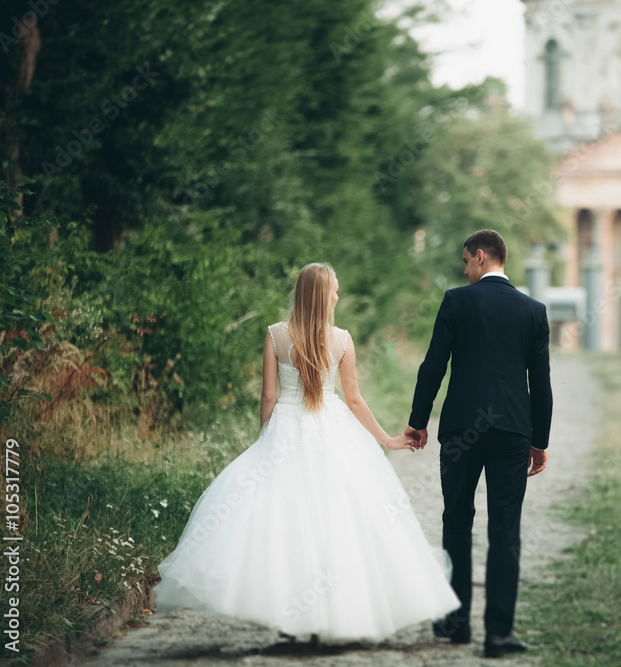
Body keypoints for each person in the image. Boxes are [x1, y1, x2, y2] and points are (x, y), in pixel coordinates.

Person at [153, 262, 461, 643]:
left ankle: (291, 618)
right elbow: (354, 399)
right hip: (332, 428)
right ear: (321, 295)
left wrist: (265, 438)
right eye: (334, 290)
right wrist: (387, 440)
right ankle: (327, 615)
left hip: (286, 426)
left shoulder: (275, 335)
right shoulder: (342, 341)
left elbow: (268, 395)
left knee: (283, 523)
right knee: (336, 519)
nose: (338, 295)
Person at [406, 229, 553, 658]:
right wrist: (539, 441)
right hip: (512, 432)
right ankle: (498, 634)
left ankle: (456, 624)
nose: (465, 269)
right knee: (505, 529)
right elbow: (539, 383)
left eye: (467, 261)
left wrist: (418, 421)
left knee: (456, 520)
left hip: (460, 431)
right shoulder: (534, 310)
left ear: (483, 257)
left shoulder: (457, 301)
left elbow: (433, 364)